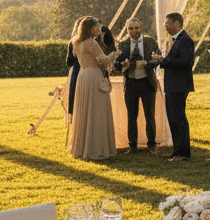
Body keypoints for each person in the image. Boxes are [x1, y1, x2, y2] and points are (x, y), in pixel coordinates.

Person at [67, 16, 117, 160]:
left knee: (84, 111)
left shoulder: (76, 42)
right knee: (96, 110)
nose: (99, 29)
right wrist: (114, 54)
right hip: (93, 75)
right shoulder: (91, 43)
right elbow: (103, 60)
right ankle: (96, 148)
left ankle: (82, 147)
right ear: (92, 28)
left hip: (83, 75)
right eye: (97, 26)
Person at [114, 18, 161, 153]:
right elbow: (116, 64)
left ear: (141, 28)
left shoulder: (150, 42)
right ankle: (132, 146)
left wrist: (146, 63)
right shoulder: (122, 45)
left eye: (136, 28)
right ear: (128, 30)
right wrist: (123, 65)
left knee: (149, 115)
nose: (134, 31)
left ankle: (152, 144)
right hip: (131, 83)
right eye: (131, 29)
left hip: (147, 82)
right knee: (131, 116)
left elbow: (158, 59)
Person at [154, 12, 195, 161]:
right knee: (173, 117)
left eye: (168, 23)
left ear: (177, 23)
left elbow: (185, 62)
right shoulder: (176, 40)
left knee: (178, 118)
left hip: (179, 85)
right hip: (173, 84)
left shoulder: (185, 40)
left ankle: (182, 153)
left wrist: (163, 60)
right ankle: (177, 150)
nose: (165, 26)